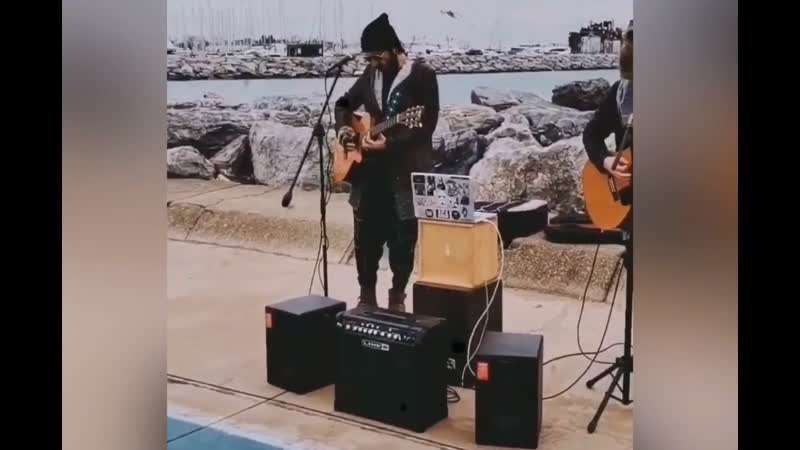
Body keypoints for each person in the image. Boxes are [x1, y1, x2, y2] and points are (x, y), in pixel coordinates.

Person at [334, 13, 440, 312]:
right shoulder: (370, 75)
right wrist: (345, 129)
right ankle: (366, 296)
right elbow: (343, 104)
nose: (374, 63)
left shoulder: (421, 76)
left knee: (402, 238)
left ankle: (397, 296)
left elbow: (427, 123)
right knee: (365, 237)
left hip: (404, 171)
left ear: (394, 50)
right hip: (369, 173)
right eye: (369, 58)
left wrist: (389, 142)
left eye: (378, 57)